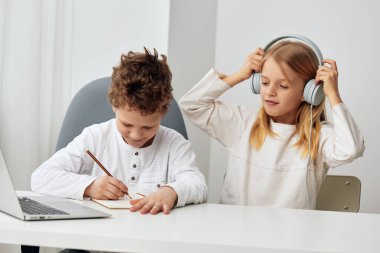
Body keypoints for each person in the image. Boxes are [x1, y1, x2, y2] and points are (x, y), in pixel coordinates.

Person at [179, 39, 365, 209]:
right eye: (265, 82)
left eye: (283, 86)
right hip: (236, 234)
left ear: (309, 92)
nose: (270, 92)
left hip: (289, 240)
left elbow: (351, 149)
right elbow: (191, 105)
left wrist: (332, 94)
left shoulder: (318, 136)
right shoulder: (243, 124)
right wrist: (239, 75)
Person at [31, 48, 207, 215]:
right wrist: (90, 186)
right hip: (96, 242)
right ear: (114, 106)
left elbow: (198, 185)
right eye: (127, 125)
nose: (136, 135)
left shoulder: (174, 144)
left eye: (148, 126)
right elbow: (40, 178)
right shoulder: (95, 137)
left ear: (163, 113)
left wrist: (172, 191)